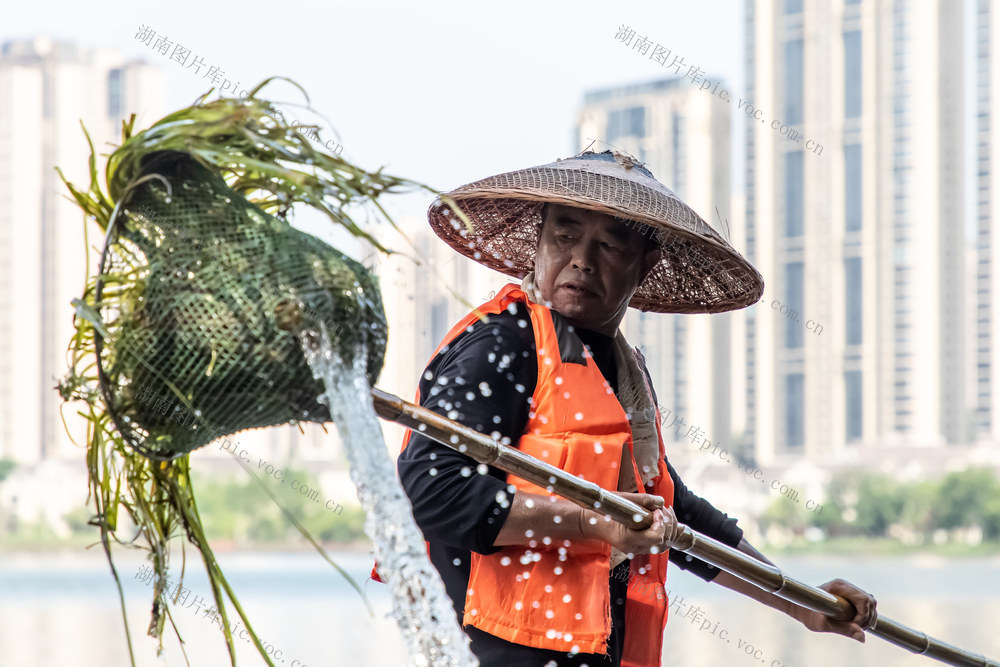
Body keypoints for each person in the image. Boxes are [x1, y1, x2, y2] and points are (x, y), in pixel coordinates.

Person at [390, 151, 876, 666]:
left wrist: (800, 602)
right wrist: (591, 522)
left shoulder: (623, 372)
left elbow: (672, 513)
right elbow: (428, 490)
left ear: (645, 263)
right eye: (565, 235)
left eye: (610, 243)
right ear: (538, 242)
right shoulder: (503, 346)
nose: (581, 258)